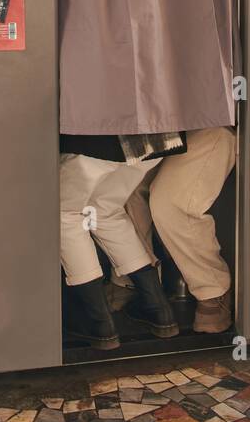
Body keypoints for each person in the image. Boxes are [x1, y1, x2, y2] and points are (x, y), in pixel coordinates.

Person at [59, 132, 181, 350]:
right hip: (157, 135)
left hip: (99, 134)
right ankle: (159, 309)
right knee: (106, 210)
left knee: (65, 215)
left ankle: (98, 323)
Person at [123, 127, 238, 333]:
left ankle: (212, 289)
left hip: (211, 123)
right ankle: (140, 284)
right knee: (124, 188)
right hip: (161, 125)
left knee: (171, 204)